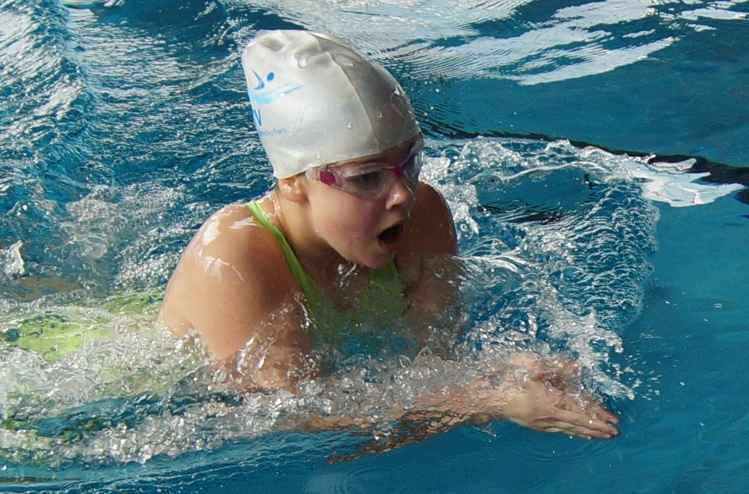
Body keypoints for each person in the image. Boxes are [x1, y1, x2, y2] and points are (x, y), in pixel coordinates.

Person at [158, 30, 619, 441]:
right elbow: (296, 416)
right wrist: (486, 400)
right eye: (366, 178)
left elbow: (432, 359)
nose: (403, 194)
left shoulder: (423, 215)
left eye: (410, 162)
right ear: (293, 182)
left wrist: (505, 373)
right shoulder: (233, 258)